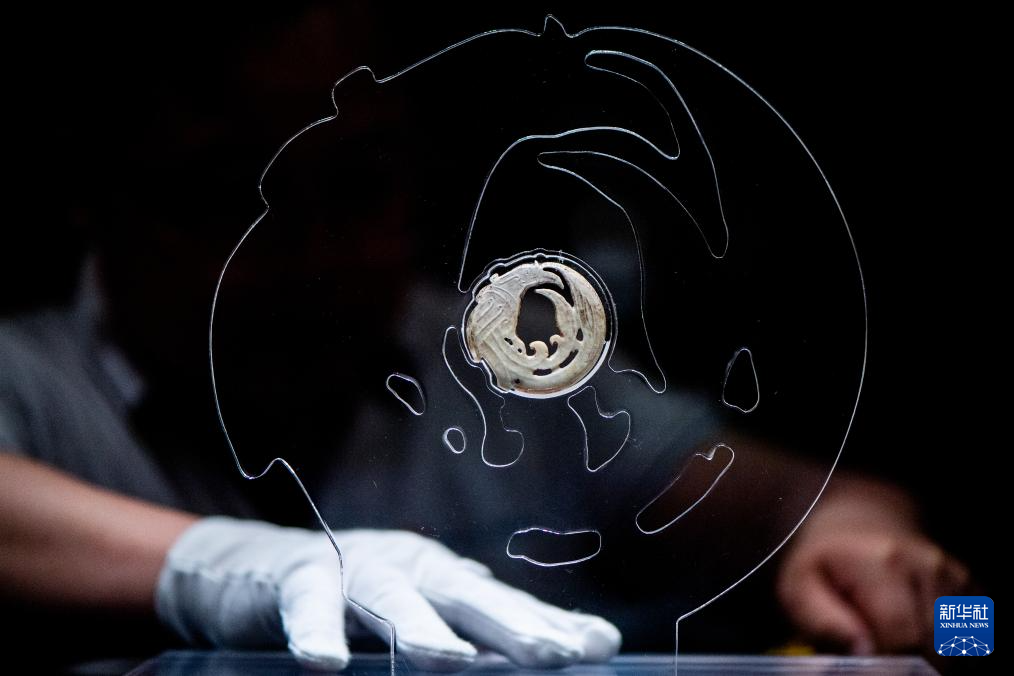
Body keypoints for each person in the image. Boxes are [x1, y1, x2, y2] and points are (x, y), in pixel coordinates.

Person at [1, 5, 976, 672]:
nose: (308, 254)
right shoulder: (31, 382)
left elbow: (816, 501)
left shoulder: (502, 366)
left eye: (358, 186)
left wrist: (858, 542)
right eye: (224, 192)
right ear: (97, 192)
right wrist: (224, 568)